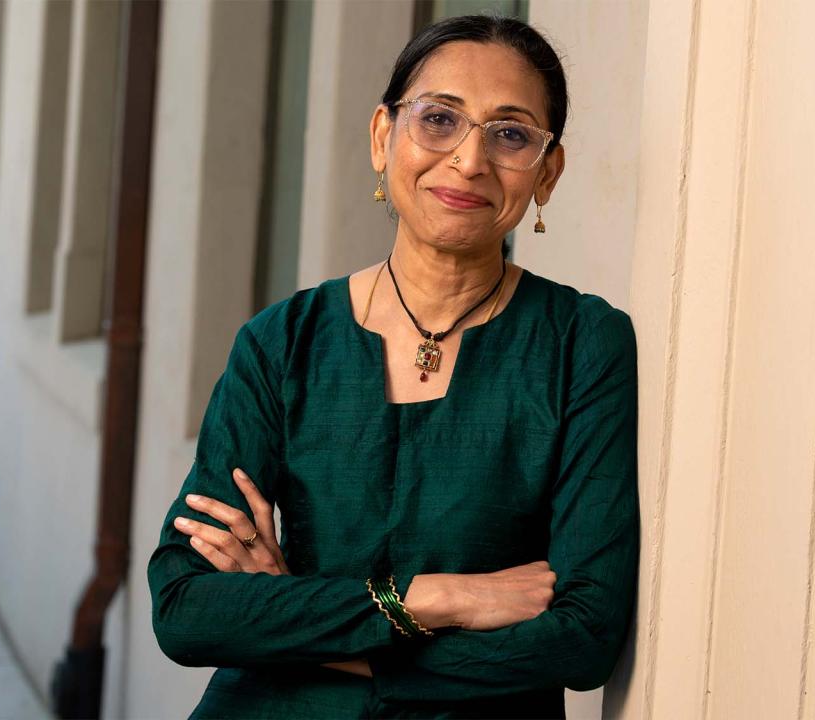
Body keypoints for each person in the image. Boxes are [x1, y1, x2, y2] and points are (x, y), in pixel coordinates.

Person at [147, 14, 638, 719]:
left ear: (547, 172)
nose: (469, 160)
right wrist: (437, 599)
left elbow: (584, 636)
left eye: (510, 134)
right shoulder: (283, 343)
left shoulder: (581, 344)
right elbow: (188, 606)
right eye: (439, 119)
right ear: (384, 136)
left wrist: (301, 624)